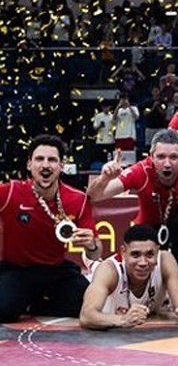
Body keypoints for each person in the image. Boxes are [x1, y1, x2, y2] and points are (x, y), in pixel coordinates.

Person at [87, 129, 178, 270]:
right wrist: (105, 177)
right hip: (150, 223)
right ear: (151, 157)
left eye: (173, 157)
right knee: (138, 250)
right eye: (161, 157)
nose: (167, 164)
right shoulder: (140, 171)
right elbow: (94, 196)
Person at [0, 135, 102, 322]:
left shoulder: (78, 200)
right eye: (39, 159)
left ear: (62, 165)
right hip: (17, 269)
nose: (45, 165)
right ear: (29, 164)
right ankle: (24, 300)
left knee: (87, 302)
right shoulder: (10, 192)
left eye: (52, 160)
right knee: (4, 310)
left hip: (55, 269)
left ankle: (31, 303)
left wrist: (92, 245)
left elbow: (96, 254)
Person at [80, 225, 178, 330]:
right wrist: (123, 320)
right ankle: (91, 261)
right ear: (123, 253)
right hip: (94, 284)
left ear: (157, 252)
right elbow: (86, 316)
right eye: (135, 254)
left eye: (150, 254)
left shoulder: (165, 260)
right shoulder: (109, 270)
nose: (143, 262)